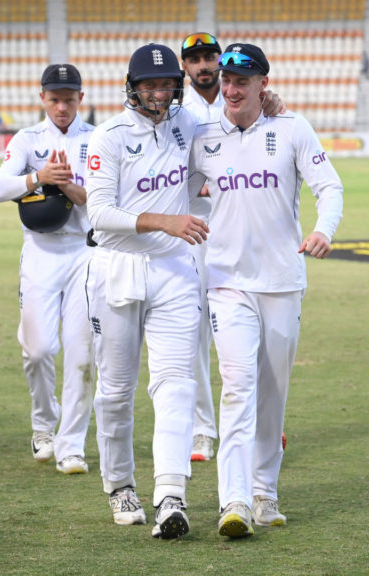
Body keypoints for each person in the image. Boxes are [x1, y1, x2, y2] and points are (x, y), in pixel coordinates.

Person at [86, 43, 285, 539]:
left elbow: (234, 125)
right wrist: (165, 220)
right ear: (132, 88)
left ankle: (170, 495)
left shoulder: (188, 124)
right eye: (149, 85)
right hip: (117, 267)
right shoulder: (108, 137)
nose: (159, 94)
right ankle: (119, 484)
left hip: (174, 269)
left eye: (167, 85)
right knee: (115, 391)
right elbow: (99, 214)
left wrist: (270, 106)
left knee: (177, 382)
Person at [188, 44, 343, 538]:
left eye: (242, 81)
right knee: (237, 387)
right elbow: (172, 185)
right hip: (227, 283)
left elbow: (329, 187)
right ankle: (232, 500)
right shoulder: (202, 136)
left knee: (272, 393)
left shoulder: (292, 128)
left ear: (263, 84)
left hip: (281, 282)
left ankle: (264, 493)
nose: (231, 89)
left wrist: (324, 230)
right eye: (226, 80)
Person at [0, 63, 95, 475]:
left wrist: (67, 185)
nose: (62, 107)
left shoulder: (97, 138)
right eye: (54, 99)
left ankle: (72, 445)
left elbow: (100, 198)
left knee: (82, 353)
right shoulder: (27, 139)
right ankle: (43, 422)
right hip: (40, 250)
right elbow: (0, 188)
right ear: (42, 98)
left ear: (80, 99)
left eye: (69, 99)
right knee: (37, 350)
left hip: (85, 252)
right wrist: (39, 176)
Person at [180, 32, 224, 462]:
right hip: (193, 228)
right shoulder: (177, 111)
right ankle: (201, 430)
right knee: (193, 329)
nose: (203, 65)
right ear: (185, 66)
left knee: (246, 327)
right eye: (195, 59)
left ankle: (255, 422)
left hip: (237, 226)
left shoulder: (242, 99)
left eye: (209, 56)